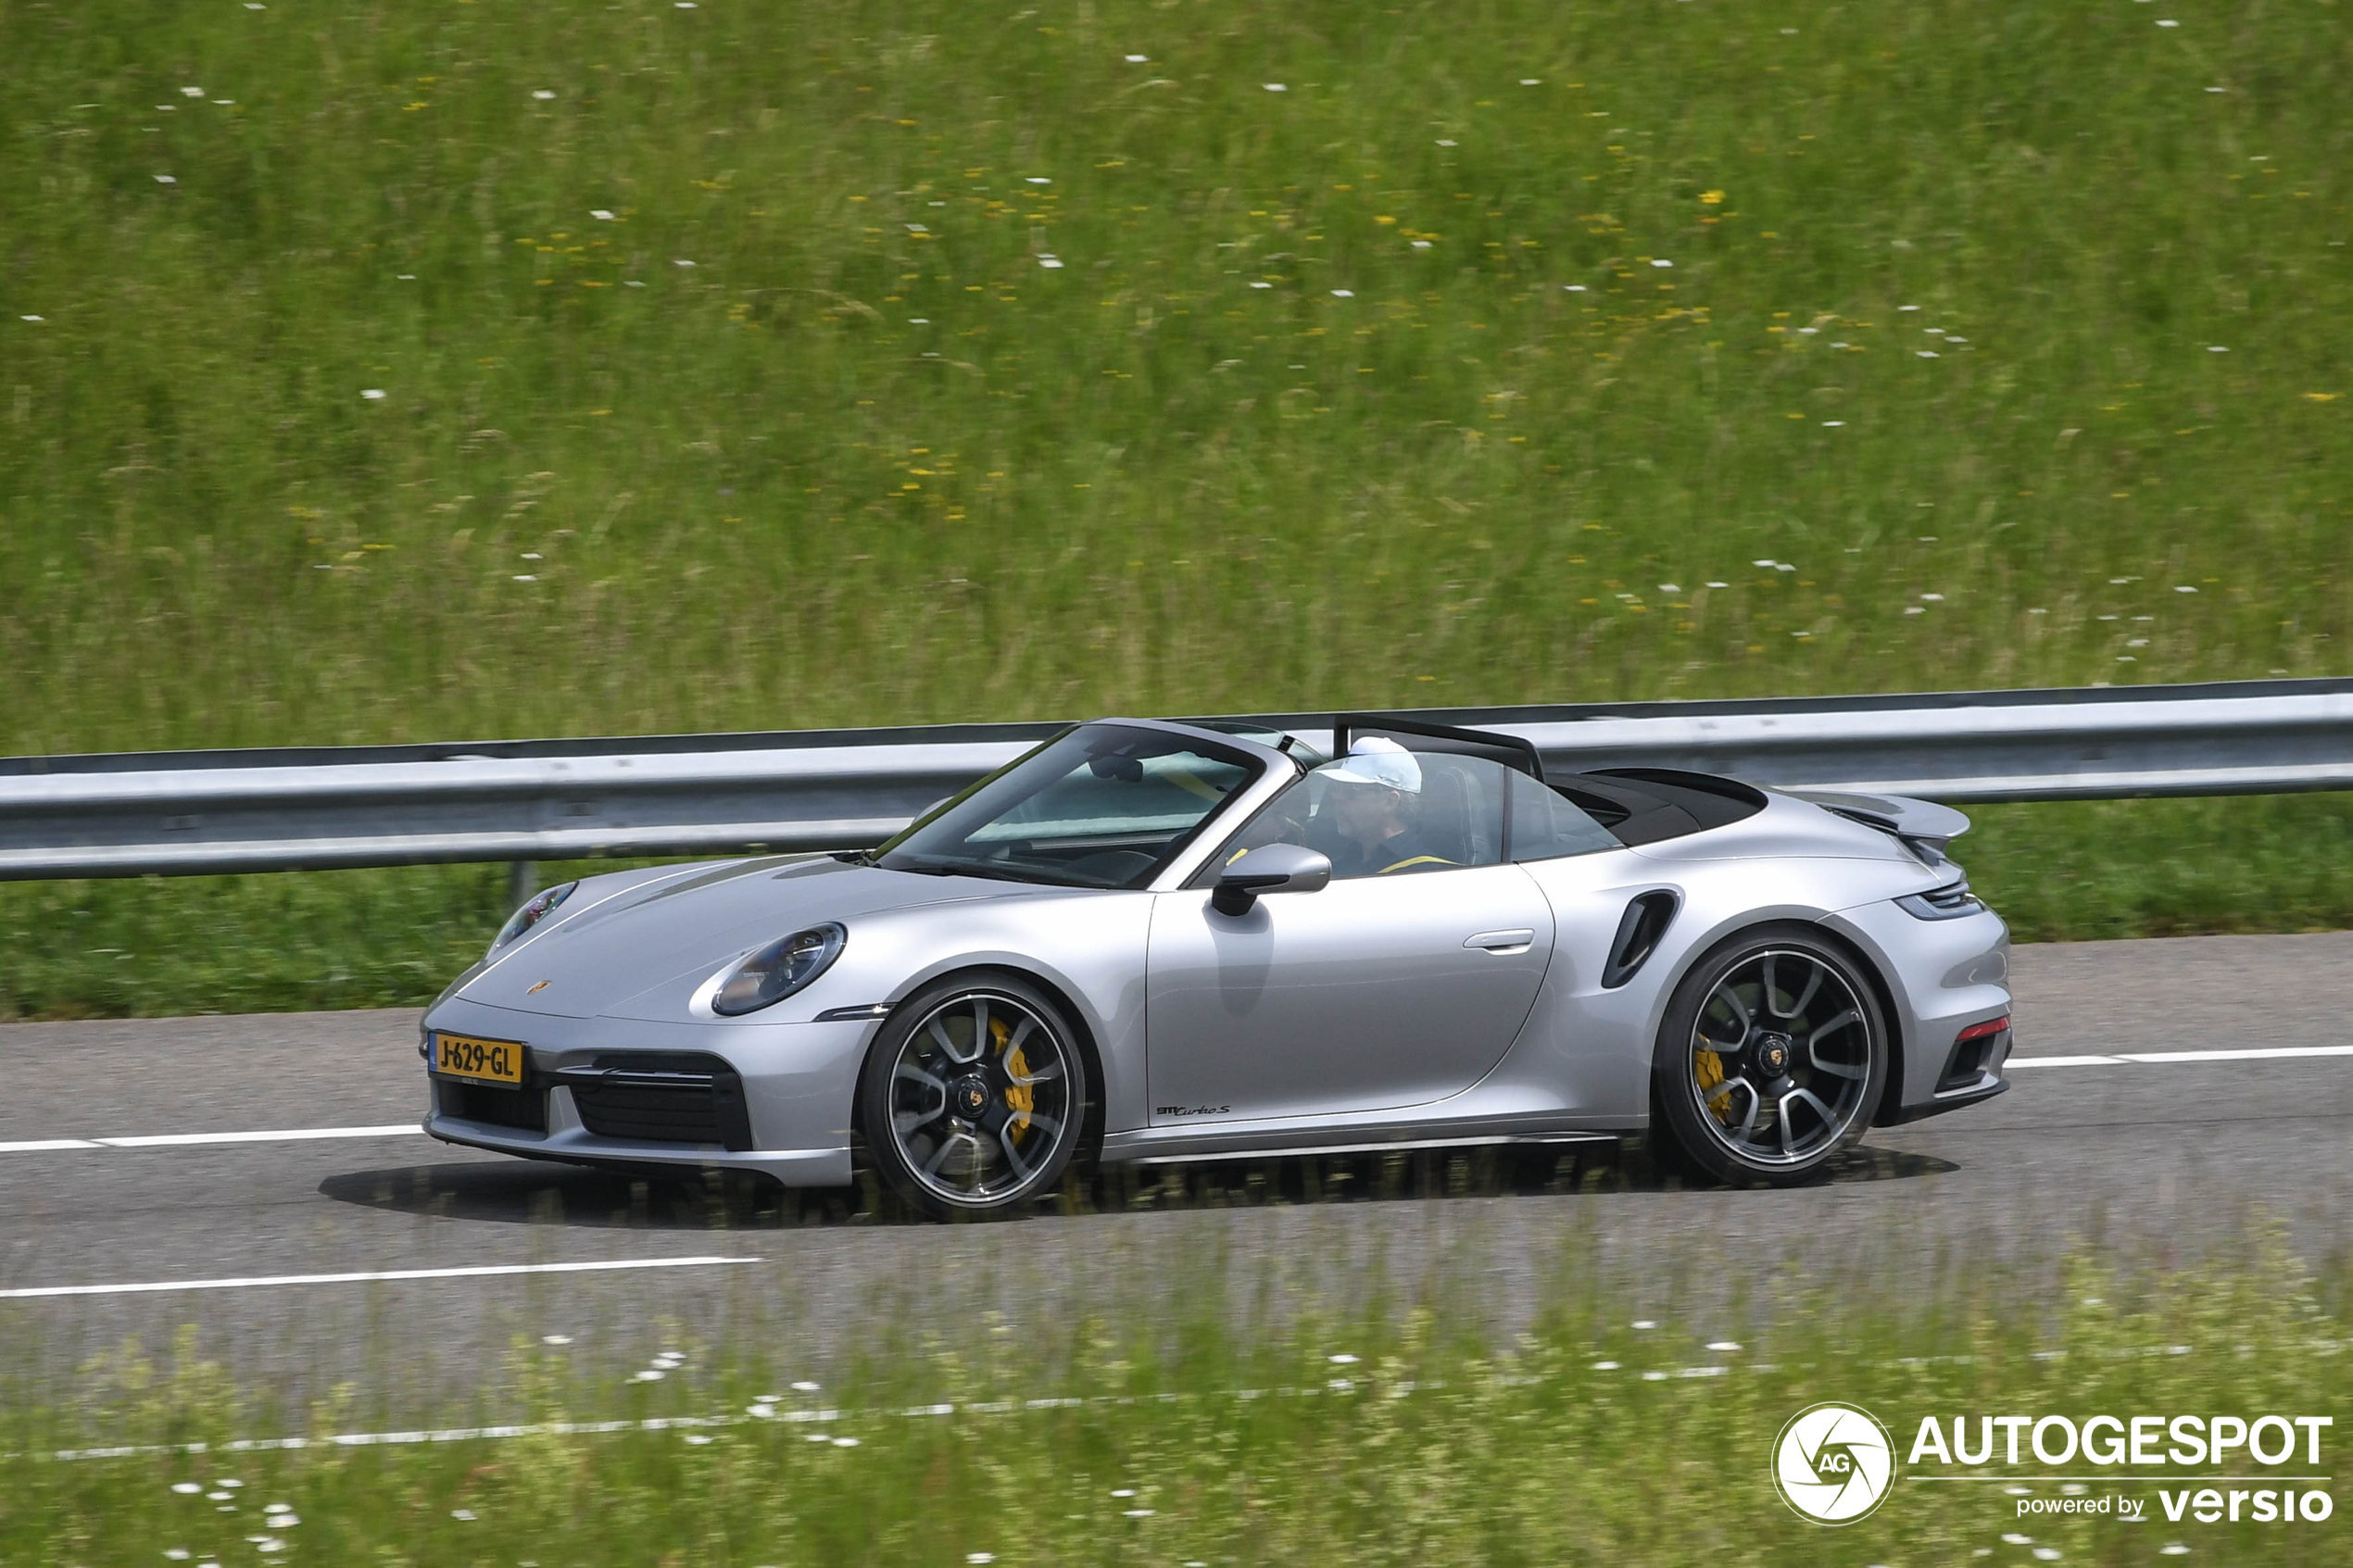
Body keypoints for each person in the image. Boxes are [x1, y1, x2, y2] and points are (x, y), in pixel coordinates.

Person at [1318, 738, 1453, 877]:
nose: (1337, 797)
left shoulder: (1423, 872)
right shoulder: (1343, 859)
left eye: (1352, 790)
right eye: (1336, 787)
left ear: (1390, 802)